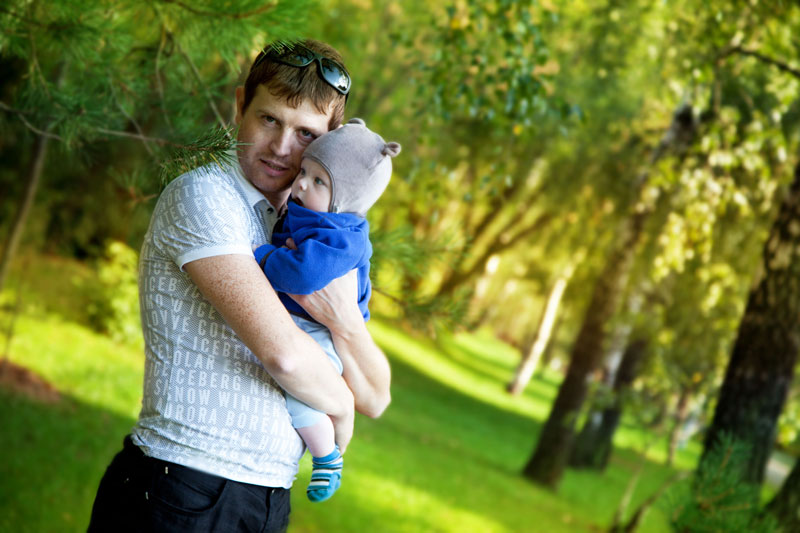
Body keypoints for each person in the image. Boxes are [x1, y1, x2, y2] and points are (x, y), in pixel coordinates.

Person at [87, 39, 391, 533]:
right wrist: (341, 408)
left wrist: (344, 320)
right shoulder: (204, 198)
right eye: (269, 119)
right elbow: (284, 356)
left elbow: (376, 397)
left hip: (266, 499)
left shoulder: (305, 232)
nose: (282, 147)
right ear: (240, 105)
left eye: (306, 133)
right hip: (182, 489)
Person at [253, 118, 400, 503]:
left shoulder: (342, 236)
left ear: (347, 198)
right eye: (304, 172)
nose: (302, 184)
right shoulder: (318, 214)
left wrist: (264, 257)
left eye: (319, 181)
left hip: (319, 332)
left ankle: (327, 457)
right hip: (305, 322)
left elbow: (303, 275)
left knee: (300, 396)